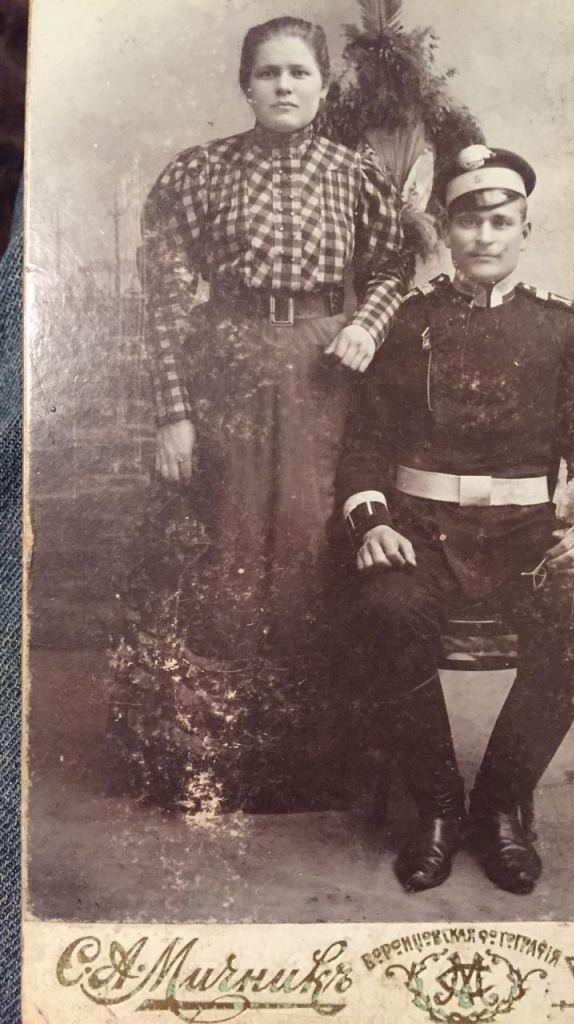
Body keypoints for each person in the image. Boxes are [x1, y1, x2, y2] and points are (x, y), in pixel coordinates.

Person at [110, 17, 405, 812]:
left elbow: (392, 267)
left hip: (322, 370)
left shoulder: (355, 172)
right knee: (230, 540)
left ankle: (316, 760)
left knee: (311, 538)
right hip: (227, 367)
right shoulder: (198, 172)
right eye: (268, 72)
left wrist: (366, 324)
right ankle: (220, 756)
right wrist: (174, 413)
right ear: (246, 84)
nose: (283, 85)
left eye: (299, 72)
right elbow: (165, 301)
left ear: (323, 84)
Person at [336, 144, 574, 893]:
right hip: (421, 529)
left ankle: (498, 806)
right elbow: (365, 443)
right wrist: (373, 523)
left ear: (526, 229)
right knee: (385, 611)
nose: (485, 236)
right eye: (469, 222)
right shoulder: (411, 322)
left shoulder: (560, 328)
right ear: (446, 231)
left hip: (527, 536)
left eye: (501, 221)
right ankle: (438, 807)